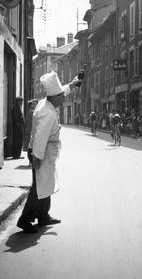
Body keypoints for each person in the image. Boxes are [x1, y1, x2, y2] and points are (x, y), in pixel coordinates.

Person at [17, 71, 82, 233]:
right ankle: (25, 220)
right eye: (62, 96)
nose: (64, 98)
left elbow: (61, 92)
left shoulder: (46, 102)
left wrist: (72, 85)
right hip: (41, 151)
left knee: (46, 182)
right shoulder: (48, 112)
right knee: (39, 186)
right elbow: (40, 136)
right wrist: (37, 157)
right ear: (55, 98)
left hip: (44, 151)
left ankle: (43, 215)